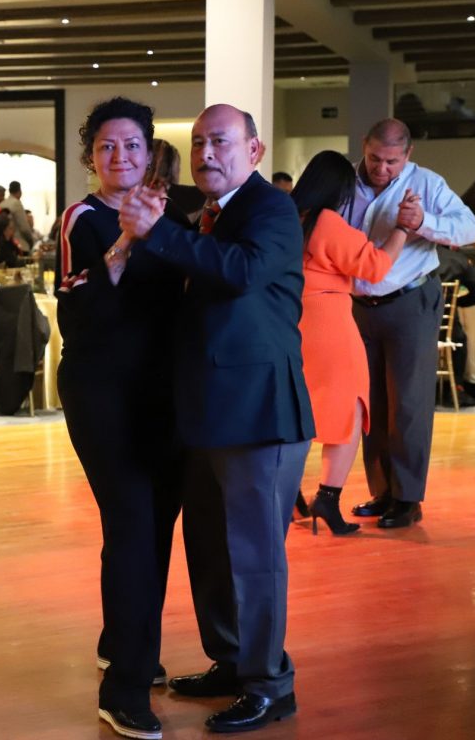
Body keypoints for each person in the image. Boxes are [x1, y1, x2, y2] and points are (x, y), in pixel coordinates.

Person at [119, 103, 315, 735]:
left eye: (220, 142)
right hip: (206, 412)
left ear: (254, 151)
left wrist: (161, 234)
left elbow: (243, 271)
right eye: (199, 142)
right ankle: (232, 662)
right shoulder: (207, 216)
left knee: (256, 558)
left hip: (259, 412)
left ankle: (269, 685)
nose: (205, 154)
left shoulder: (270, 208)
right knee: (209, 547)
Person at [55, 96, 184, 740]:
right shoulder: (82, 219)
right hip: (102, 389)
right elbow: (81, 309)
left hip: (164, 391)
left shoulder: (173, 211)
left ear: (149, 151)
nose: (121, 156)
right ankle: (125, 688)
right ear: (91, 157)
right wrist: (131, 238)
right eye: (107, 146)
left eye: (132, 145)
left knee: (153, 526)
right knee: (133, 522)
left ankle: (122, 643)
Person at [347, 118, 475, 529]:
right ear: (364, 145)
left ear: (408, 154)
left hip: (410, 299)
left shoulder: (428, 183)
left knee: (408, 402)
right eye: (375, 158)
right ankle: (382, 491)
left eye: (392, 161)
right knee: (370, 403)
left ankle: (407, 497)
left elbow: (470, 229)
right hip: (358, 305)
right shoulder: (344, 182)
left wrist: (422, 223)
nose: (381, 168)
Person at [291, 151, 408, 536]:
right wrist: (402, 230)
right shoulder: (327, 221)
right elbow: (374, 267)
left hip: (293, 322)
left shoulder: (289, 217)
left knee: (298, 410)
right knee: (350, 408)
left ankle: (290, 493)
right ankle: (327, 497)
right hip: (330, 324)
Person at [436, 244, 475, 403]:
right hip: (446, 329)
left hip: (414, 326)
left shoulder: (412, 256)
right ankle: (457, 388)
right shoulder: (457, 260)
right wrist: (456, 303)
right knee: (459, 338)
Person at [0, 180, 34, 252]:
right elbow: (24, 228)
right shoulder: (16, 204)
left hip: (4, 245)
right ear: (20, 191)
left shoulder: (1, 204)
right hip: (19, 245)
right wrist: (31, 241)